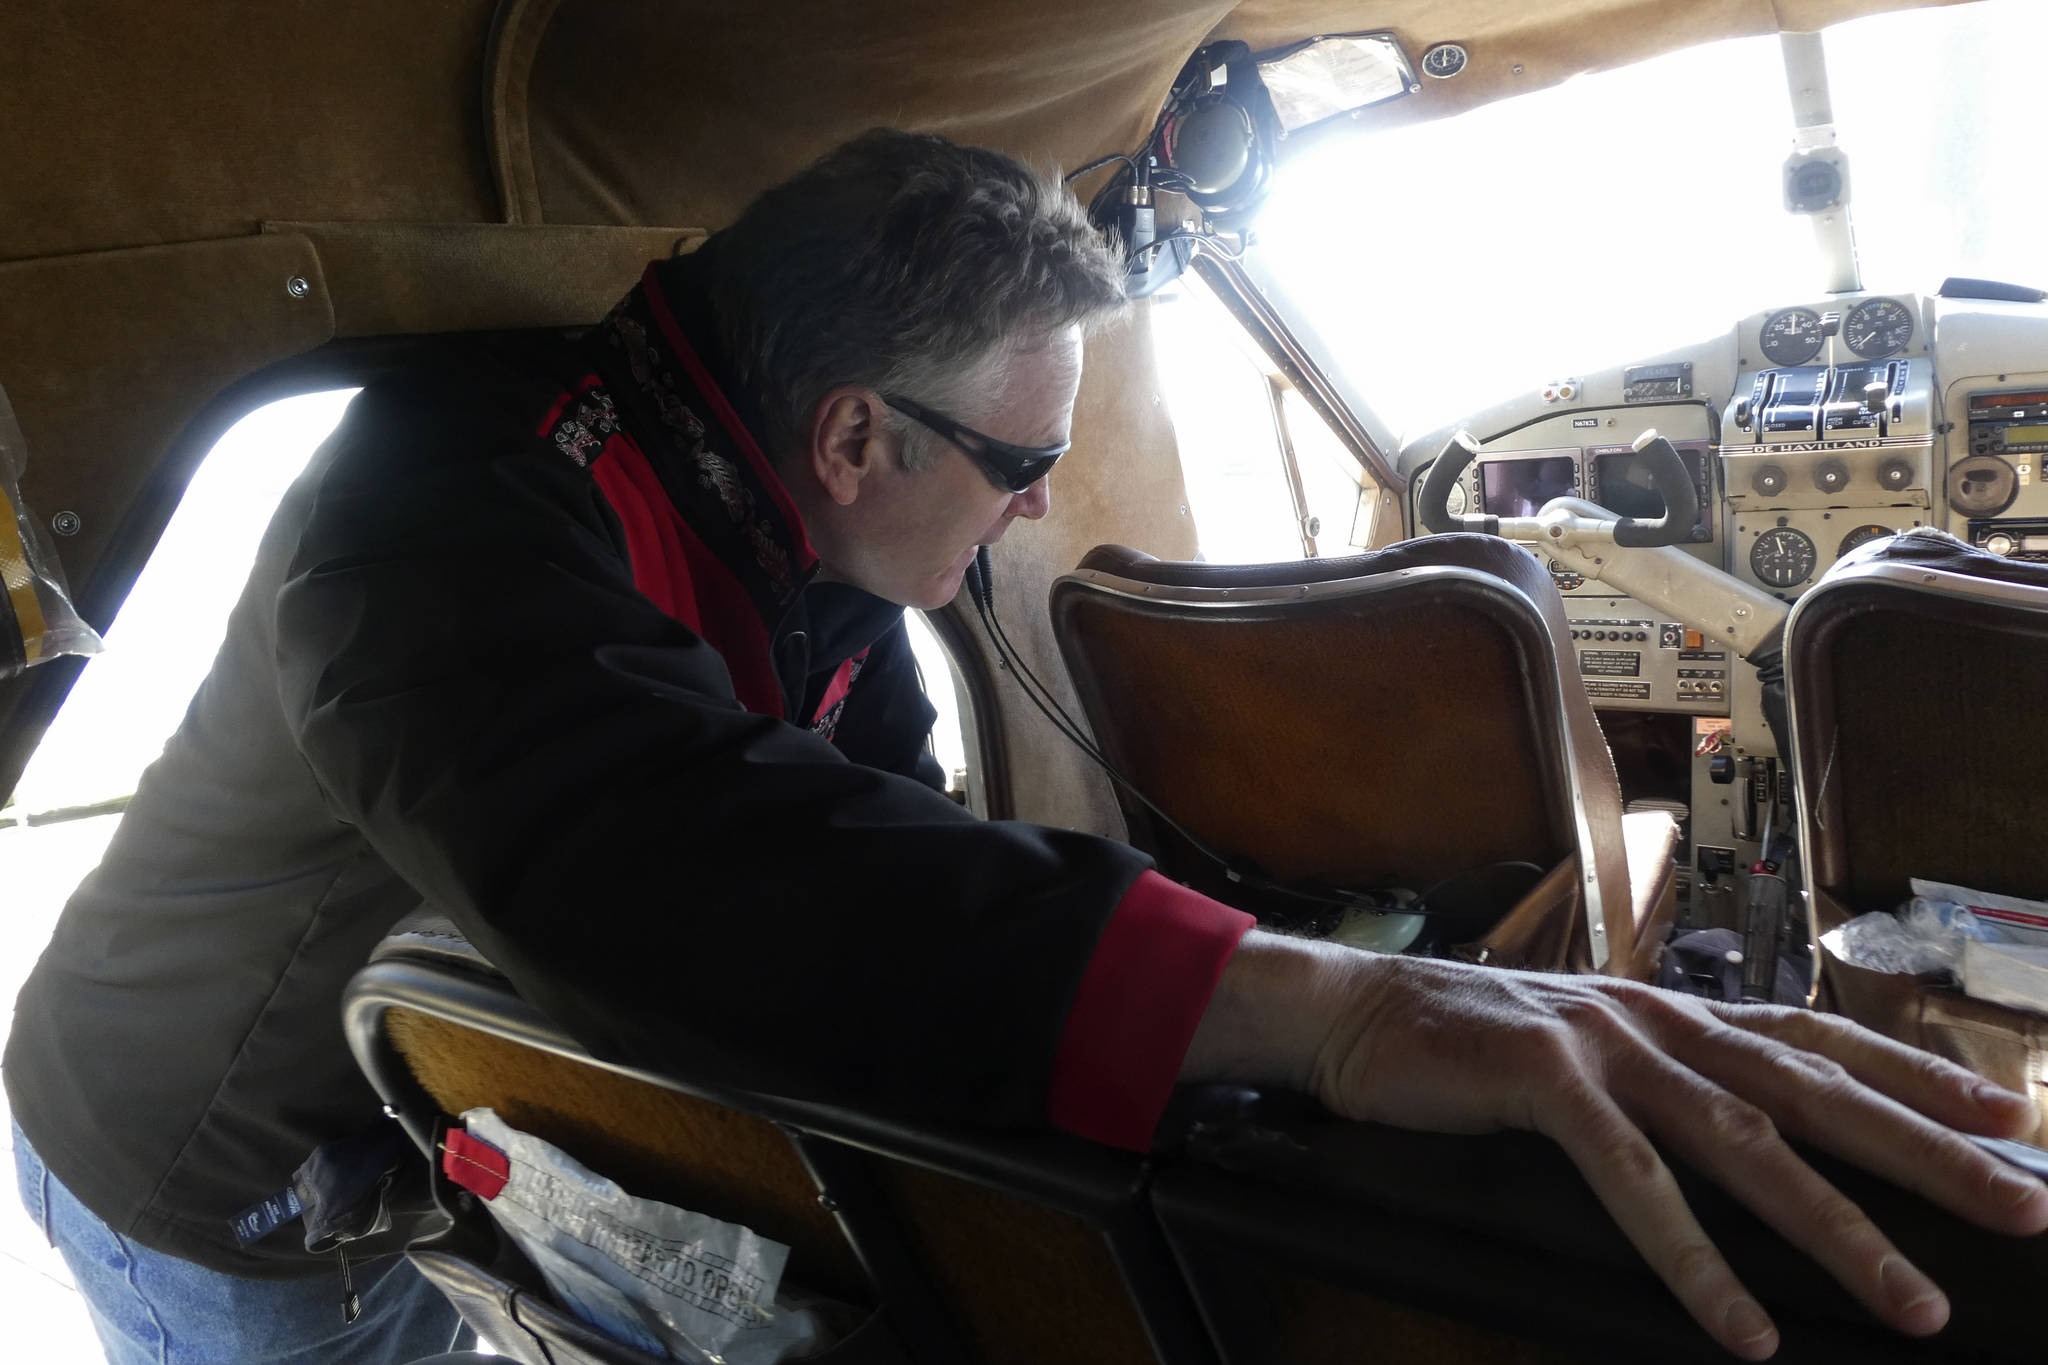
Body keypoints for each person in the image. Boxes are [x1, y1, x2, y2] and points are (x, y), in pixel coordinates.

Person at [4, 129, 2041, 1365]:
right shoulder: (430, 517)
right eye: (1024, 464)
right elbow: (665, 868)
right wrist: (1330, 1009)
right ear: (853, 434)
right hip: (200, 1162)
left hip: (430, 1135)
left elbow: (884, 864)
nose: (1033, 511)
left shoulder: (802, 564)